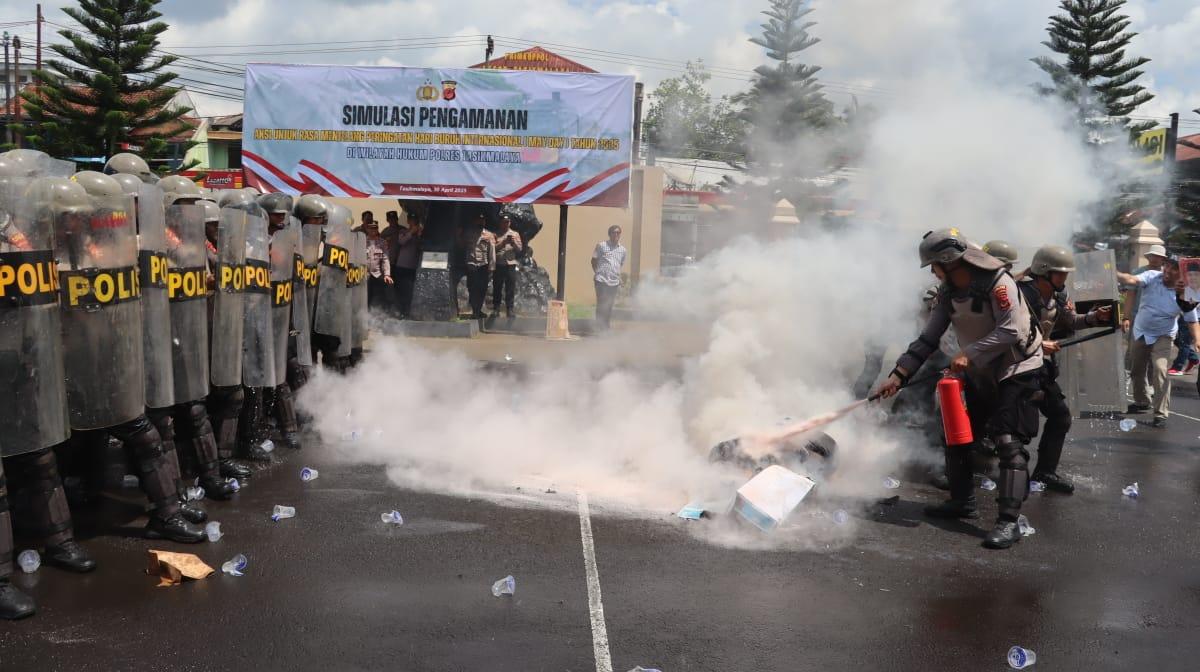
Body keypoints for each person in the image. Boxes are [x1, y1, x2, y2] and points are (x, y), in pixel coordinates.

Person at [875, 229, 1043, 550]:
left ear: (949, 261)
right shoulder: (948, 291)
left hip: (1017, 369)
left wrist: (971, 352)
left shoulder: (999, 283)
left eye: (934, 266)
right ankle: (962, 501)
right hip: (981, 371)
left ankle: (1008, 522)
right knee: (958, 436)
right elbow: (928, 338)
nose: (933, 273)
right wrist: (898, 375)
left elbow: (1012, 330)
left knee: (1007, 441)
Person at [1017, 245, 1112, 494]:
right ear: (1044, 271)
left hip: (1040, 367)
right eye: (1060, 273)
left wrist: (1094, 317)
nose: (1065, 277)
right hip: (1014, 367)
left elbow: (1070, 321)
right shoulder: (1019, 294)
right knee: (1016, 426)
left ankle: (1045, 472)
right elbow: (1007, 331)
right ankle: (1004, 474)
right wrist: (1039, 344)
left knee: (1060, 417)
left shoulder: (1058, 297)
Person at [1116, 256, 1200, 428]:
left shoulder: (1186, 293)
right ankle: (1142, 402)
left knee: (1160, 370)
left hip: (1164, 335)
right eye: (1166, 266)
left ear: (1181, 274)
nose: (1167, 270)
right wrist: (1112, 271)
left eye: (1173, 268)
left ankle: (1161, 413)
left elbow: (1192, 320)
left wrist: (1197, 339)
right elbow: (1131, 280)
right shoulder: (1152, 276)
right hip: (1141, 331)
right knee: (1136, 369)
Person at [1121, 244, 1167, 376]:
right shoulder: (1138, 272)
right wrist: (1126, 317)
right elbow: (1130, 295)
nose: (1155, 259)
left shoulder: (1167, 275)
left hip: (1159, 321)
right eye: (1153, 256)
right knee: (1133, 349)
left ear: (1163, 259)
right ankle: (1127, 377)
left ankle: (1151, 381)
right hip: (1138, 317)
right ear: (1148, 257)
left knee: (1155, 353)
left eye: (1158, 256)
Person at [592, 225, 627, 330]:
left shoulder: (623, 250)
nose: (616, 234)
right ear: (609, 234)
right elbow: (593, 260)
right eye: (613, 232)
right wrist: (597, 272)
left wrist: (617, 276)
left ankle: (606, 327)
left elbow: (620, 264)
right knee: (602, 303)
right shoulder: (601, 246)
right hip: (601, 280)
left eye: (618, 232)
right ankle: (599, 327)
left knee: (609, 305)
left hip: (614, 282)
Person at [388, 211, 422, 318]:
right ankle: (400, 311)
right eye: (411, 220)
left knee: (410, 291)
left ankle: (407, 312)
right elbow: (401, 241)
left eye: (415, 220)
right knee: (400, 290)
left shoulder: (419, 234)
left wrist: (419, 235)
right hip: (401, 266)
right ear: (408, 221)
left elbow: (421, 246)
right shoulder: (403, 231)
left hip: (412, 267)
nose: (413, 222)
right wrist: (411, 232)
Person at [463, 214, 495, 319]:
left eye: (482, 220)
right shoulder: (468, 233)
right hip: (471, 264)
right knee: (472, 288)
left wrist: (492, 266)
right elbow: (463, 246)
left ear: (484, 222)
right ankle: (475, 310)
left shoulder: (489, 235)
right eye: (478, 220)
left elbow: (492, 251)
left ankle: (478, 309)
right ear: (475, 221)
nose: (480, 222)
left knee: (482, 288)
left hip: (483, 265)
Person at [491, 214, 523, 320]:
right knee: (497, 287)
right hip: (499, 264)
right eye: (504, 222)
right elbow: (492, 248)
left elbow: (520, 249)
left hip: (510, 264)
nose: (506, 224)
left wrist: (513, 243)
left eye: (508, 222)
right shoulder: (495, 234)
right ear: (500, 223)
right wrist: (503, 243)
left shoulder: (515, 234)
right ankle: (496, 309)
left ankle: (510, 309)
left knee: (510, 288)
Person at [364, 215, 393, 312]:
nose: (373, 230)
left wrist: (387, 274)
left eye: (375, 228)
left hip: (377, 274)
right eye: (371, 228)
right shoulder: (362, 241)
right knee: (365, 296)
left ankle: (382, 314)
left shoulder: (383, 242)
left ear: (377, 229)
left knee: (382, 294)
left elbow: (385, 259)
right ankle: (364, 313)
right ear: (367, 229)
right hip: (364, 274)